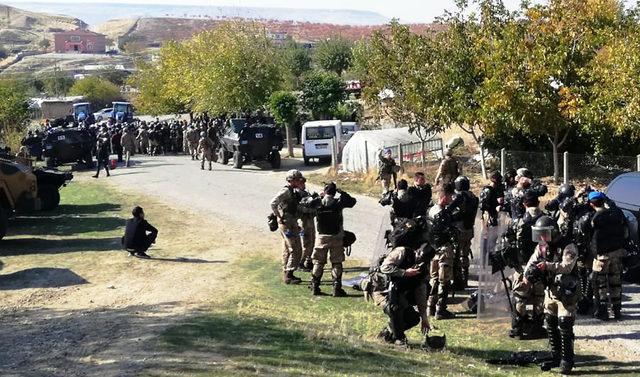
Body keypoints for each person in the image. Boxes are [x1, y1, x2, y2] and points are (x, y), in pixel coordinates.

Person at [524, 216, 579, 374]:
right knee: (550, 321)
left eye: (545, 234)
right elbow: (532, 262)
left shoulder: (568, 245)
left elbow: (567, 266)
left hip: (566, 291)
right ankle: (555, 355)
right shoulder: (541, 247)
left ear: (553, 232)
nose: (542, 238)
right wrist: (527, 275)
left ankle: (567, 359)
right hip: (550, 290)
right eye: (540, 234)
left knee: (565, 324)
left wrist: (547, 265)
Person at [374, 230, 432, 346]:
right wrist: (404, 272)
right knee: (395, 308)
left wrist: (424, 318)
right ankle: (399, 338)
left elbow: (421, 294)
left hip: (399, 294)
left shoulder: (422, 271)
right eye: (419, 259)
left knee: (413, 318)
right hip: (382, 291)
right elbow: (384, 268)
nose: (420, 263)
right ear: (417, 252)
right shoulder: (401, 252)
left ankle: (389, 333)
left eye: (424, 261)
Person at [306, 182, 356, 296]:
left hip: (322, 237)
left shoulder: (318, 203)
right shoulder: (338, 203)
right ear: (334, 193)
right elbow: (352, 202)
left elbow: (305, 202)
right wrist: (342, 192)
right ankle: (336, 288)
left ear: (325, 192)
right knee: (337, 263)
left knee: (318, 262)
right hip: (336, 236)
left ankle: (315, 286)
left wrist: (318, 196)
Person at [585, 191, 629, 320]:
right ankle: (617, 310)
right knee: (616, 282)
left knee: (600, 284)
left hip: (601, 256)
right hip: (616, 253)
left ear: (591, 204)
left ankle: (602, 311)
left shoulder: (595, 218)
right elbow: (625, 232)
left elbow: (586, 231)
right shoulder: (617, 214)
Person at [510, 192, 545, 339]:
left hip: (522, 265)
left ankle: (517, 328)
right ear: (538, 202)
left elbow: (510, 241)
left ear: (524, 204)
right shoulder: (546, 219)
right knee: (540, 296)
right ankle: (537, 327)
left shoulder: (518, 221)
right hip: (541, 264)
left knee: (520, 297)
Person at [270, 170, 306, 284]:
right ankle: (288, 275)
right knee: (295, 249)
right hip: (286, 224)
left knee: (287, 249)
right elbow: (273, 203)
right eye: (298, 179)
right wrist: (279, 217)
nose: (300, 181)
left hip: (291, 223)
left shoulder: (292, 191)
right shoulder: (286, 191)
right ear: (292, 180)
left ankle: (287, 272)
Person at [427, 185, 457, 320]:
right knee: (444, 279)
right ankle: (441, 309)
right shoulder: (442, 214)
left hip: (433, 249)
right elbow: (449, 231)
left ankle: (430, 307)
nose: (451, 199)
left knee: (434, 278)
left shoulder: (430, 210)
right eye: (450, 196)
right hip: (444, 249)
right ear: (444, 197)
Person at [445, 176, 479, 289]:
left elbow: (450, 209)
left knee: (456, 255)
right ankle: (465, 278)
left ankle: (458, 280)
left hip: (458, 229)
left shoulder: (460, 197)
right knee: (465, 254)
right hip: (469, 228)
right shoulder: (473, 197)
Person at [297, 177, 316, 272]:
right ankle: (300, 262)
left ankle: (308, 260)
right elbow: (300, 208)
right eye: (301, 183)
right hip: (304, 221)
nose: (303, 185)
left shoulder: (305, 193)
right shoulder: (297, 194)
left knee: (312, 241)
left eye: (304, 183)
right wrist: (311, 209)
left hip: (310, 220)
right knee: (306, 242)